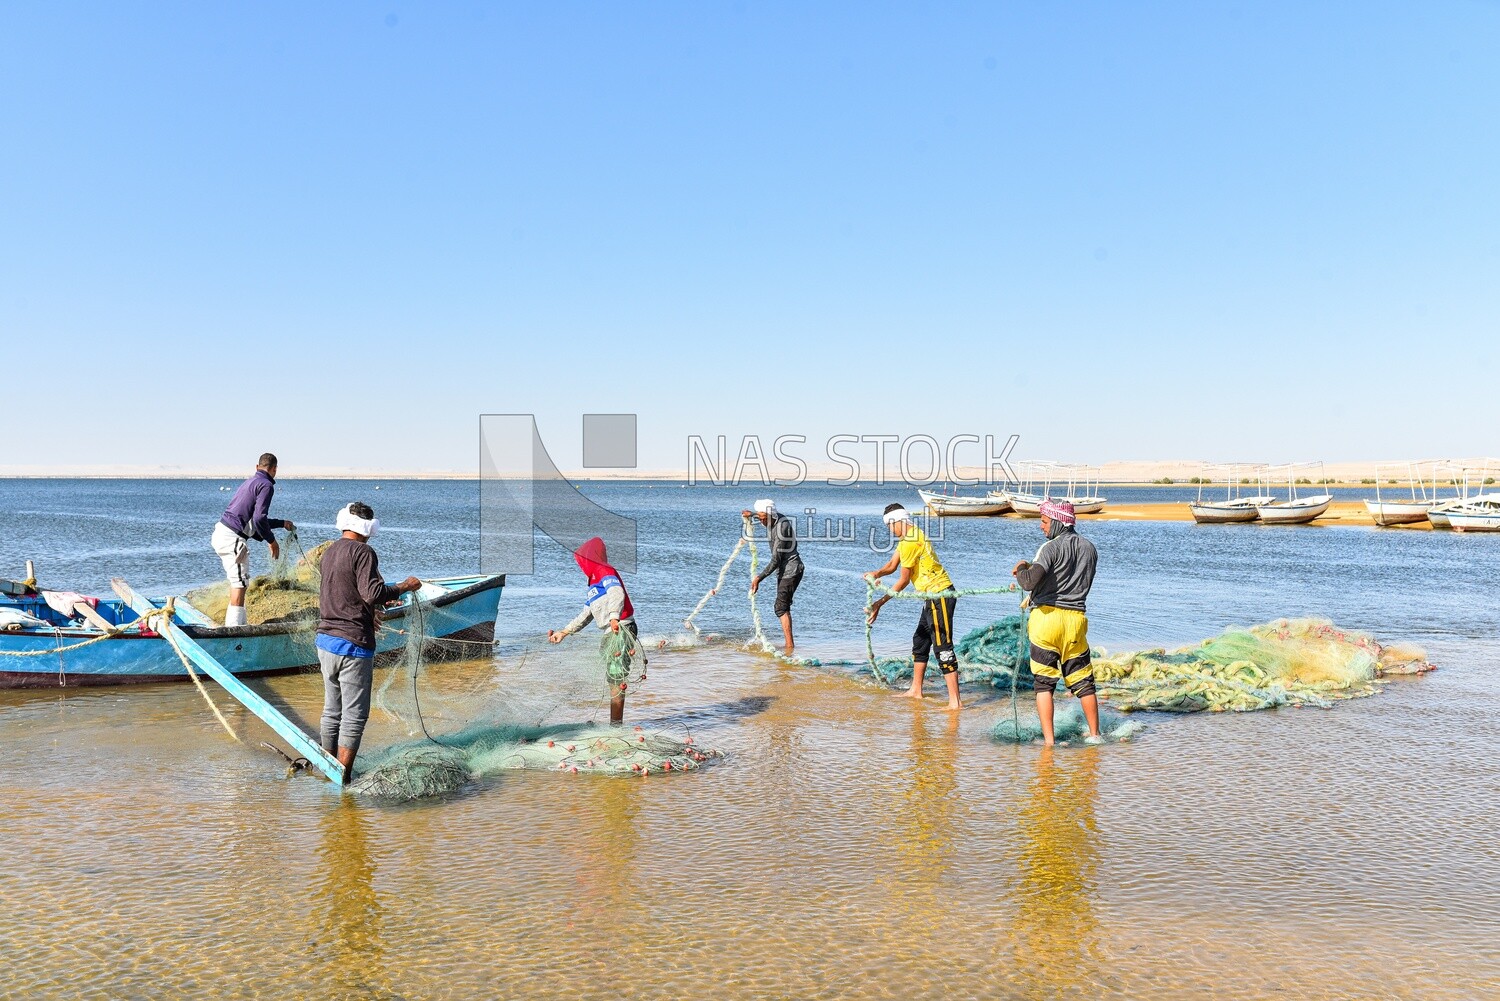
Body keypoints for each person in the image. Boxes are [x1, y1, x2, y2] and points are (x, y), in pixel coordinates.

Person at [316, 502, 421, 784]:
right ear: (369, 528)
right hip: (353, 646)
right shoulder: (363, 552)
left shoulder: (329, 552)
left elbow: (343, 592)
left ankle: (328, 768)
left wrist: (369, 613)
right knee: (354, 716)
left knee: (331, 710)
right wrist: (404, 586)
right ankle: (343, 776)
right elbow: (373, 592)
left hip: (325, 641)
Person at [1012, 499, 1102, 745]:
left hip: (1047, 620)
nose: (1041, 527)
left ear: (1057, 522)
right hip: (1076, 621)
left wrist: (1021, 567)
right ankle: (1095, 736)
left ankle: (1049, 743)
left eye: (1043, 521)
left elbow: (1029, 581)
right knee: (1084, 682)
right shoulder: (1090, 548)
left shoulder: (1049, 547)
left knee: (1044, 684)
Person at [865, 503, 962, 711]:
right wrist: (876, 574)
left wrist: (879, 604)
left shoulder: (910, 541)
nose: (890, 531)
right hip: (930, 597)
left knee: (943, 647)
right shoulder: (907, 538)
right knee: (920, 640)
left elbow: (903, 582)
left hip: (941, 595)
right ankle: (916, 690)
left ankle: (955, 702)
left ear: (896, 521)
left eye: (890, 526)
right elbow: (891, 566)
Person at [548, 537, 641, 725]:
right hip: (610, 632)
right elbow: (587, 614)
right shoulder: (592, 584)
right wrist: (564, 632)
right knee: (612, 678)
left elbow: (617, 593)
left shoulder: (604, 570)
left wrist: (614, 616)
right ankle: (615, 722)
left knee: (616, 677)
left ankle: (616, 726)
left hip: (621, 628)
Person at [212, 452, 294, 626]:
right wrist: (272, 541)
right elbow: (259, 519)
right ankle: (235, 633)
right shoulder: (266, 485)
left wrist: (281, 523)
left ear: (257, 467)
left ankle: (237, 627)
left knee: (240, 583)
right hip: (231, 537)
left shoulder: (250, 482)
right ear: (274, 470)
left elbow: (254, 520)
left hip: (222, 532)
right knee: (239, 585)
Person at [742, 499, 804, 656]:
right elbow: (763, 513)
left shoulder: (781, 529)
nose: (761, 521)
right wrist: (752, 514)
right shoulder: (773, 517)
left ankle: (789, 646)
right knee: (782, 606)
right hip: (785, 572)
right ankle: (789, 645)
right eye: (759, 518)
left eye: (763, 518)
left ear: (770, 515)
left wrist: (758, 578)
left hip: (791, 570)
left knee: (781, 607)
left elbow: (776, 560)